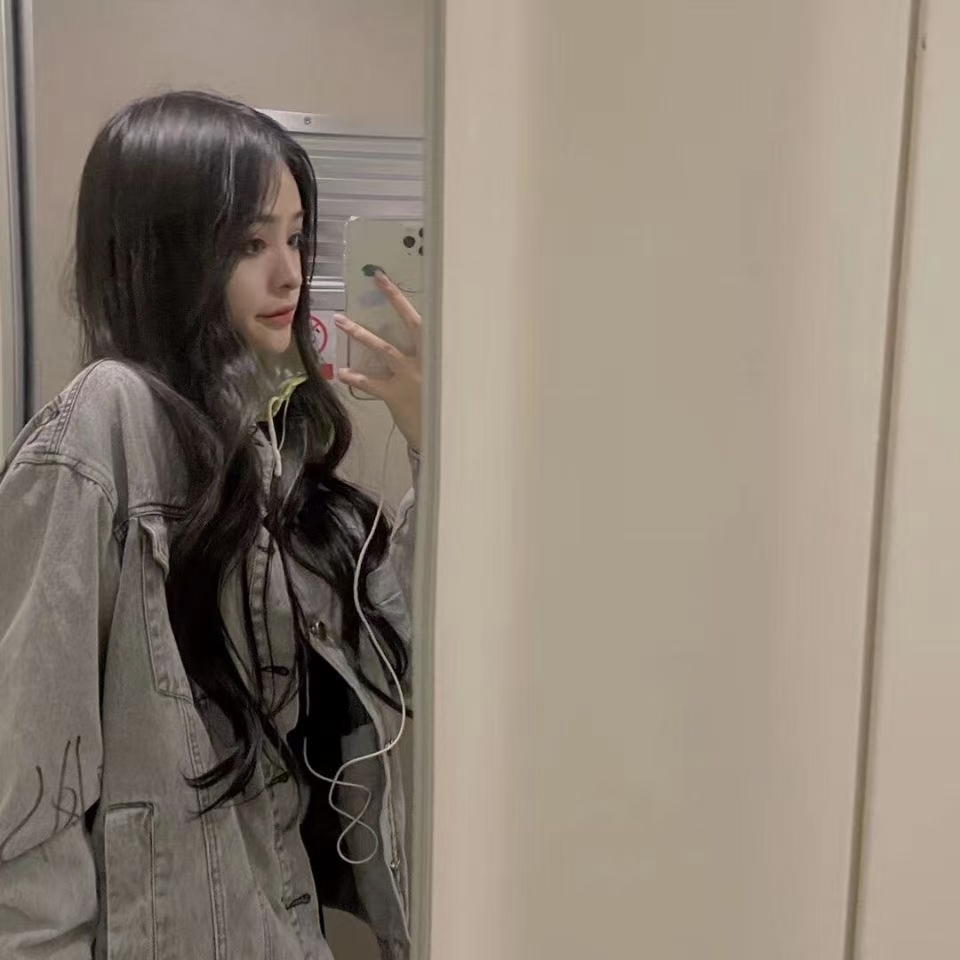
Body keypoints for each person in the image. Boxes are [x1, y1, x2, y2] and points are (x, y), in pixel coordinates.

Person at [0, 90, 422, 960]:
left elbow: (410, 653)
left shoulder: (271, 454)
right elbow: (27, 802)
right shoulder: (105, 425)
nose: (289, 273)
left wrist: (431, 441)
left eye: (296, 238)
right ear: (166, 253)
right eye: (250, 243)